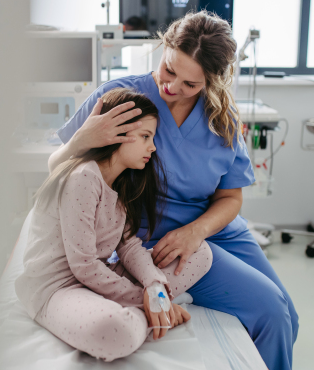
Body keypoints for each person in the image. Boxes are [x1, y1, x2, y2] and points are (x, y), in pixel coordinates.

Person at [49, 11, 299, 370]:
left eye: (189, 84)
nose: (172, 88)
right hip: (161, 236)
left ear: (211, 81)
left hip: (215, 229)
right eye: (169, 71)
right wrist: (81, 140)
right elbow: (59, 171)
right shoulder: (119, 100)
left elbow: (231, 198)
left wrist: (196, 231)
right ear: (164, 47)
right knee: (272, 312)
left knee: (290, 314)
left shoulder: (221, 120)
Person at [15, 88, 213, 362]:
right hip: (59, 287)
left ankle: (149, 312)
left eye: (152, 138)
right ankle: (148, 316)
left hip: (98, 275)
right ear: (117, 134)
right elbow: (82, 265)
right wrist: (148, 299)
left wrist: (154, 287)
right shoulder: (84, 177)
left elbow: (129, 246)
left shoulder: (122, 184)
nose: (152, 147)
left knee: (201, 253)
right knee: (115, 332)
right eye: (145, 137)